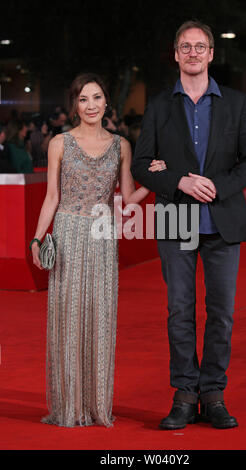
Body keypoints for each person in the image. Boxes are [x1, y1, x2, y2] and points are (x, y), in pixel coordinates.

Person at [131, 20, 246, 430]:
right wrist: (179, 180)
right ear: (176, 54)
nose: (192, 53)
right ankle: (185, 395)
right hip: (175, 217)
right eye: (185, 47)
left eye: (199, 47)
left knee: (221, 313)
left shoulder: (237, 103)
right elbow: (140, 164)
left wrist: (214, 187)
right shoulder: (158, 106)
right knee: (179, 312)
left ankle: (214, 394)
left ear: (210, 54)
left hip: (223, 221)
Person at [30, 72, 165, 428]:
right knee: (68, 319)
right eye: (83, 99)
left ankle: (95, 406)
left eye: (96, 98)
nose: (90, 105)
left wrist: (153, 179)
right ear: (75, 105)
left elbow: (126, 198)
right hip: (69, 232)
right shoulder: (59, 143)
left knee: (100, 319)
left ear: (107, 102)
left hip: (104, 235)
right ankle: (69, 406)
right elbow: (52, 197)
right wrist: (37, 238)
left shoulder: (121, 145)